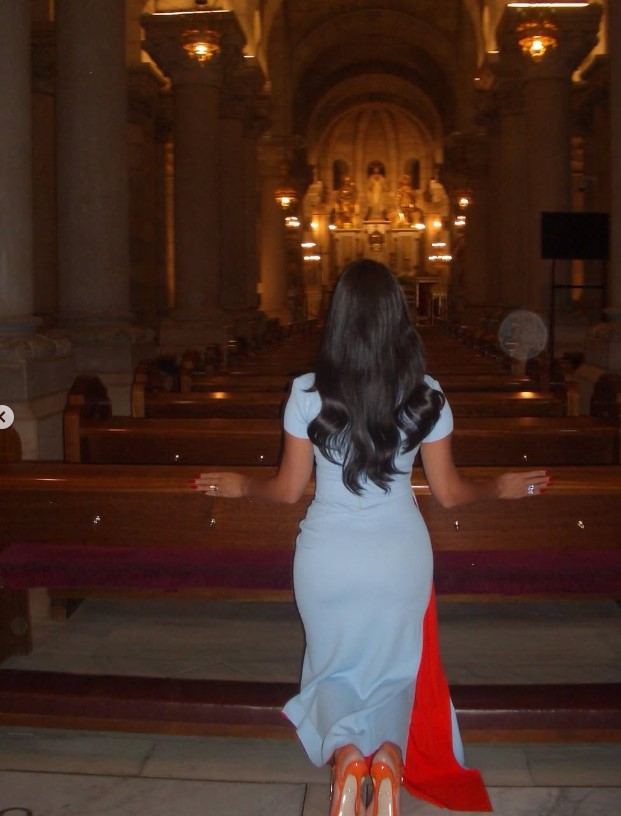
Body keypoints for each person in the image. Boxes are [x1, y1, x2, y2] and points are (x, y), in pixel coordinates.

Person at [193, 259, 550, 816]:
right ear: (397, 318)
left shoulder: (306, 392)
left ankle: (347, 756)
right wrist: (498, 488)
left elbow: (287, 490)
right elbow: (450, 493)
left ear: (337, 318)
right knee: (393, 670)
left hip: (327, 555)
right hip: (398, 553)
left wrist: (242, 485)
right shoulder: (427, 394)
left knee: (332, 665)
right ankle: (386, 757)